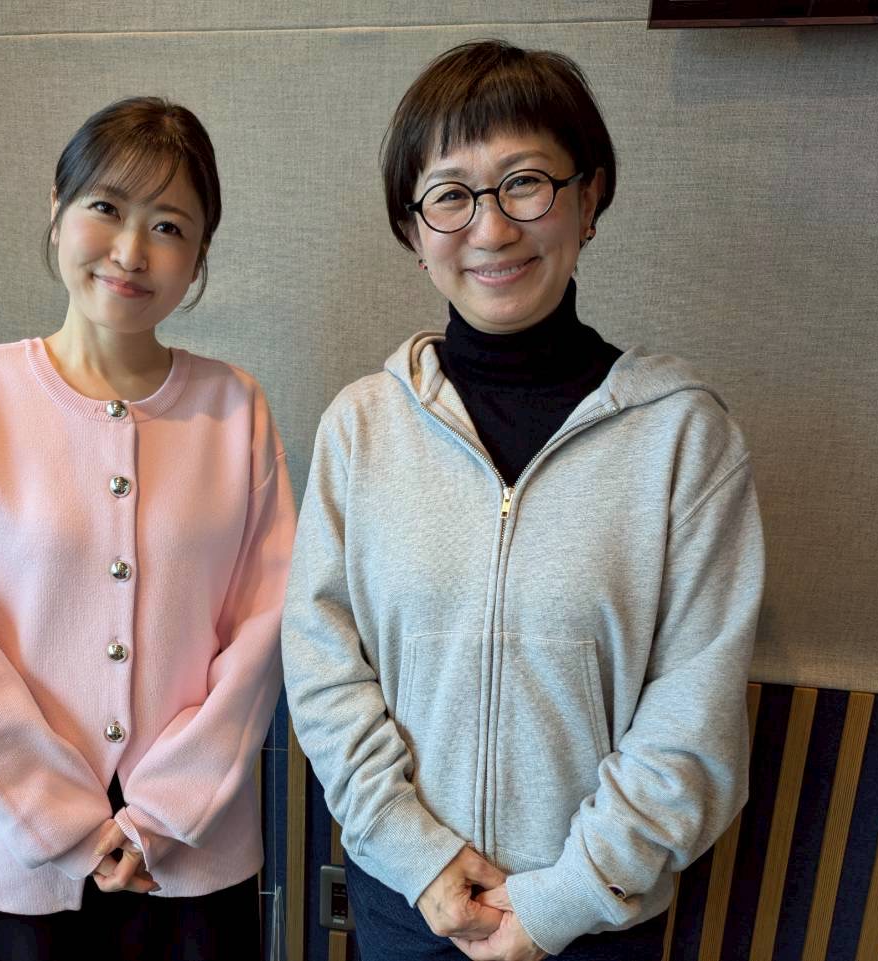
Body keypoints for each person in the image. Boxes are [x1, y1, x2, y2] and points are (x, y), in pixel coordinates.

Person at [282, 40, 764, 960]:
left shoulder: (682, 438)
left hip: (595, 919)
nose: (492, 228)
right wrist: (418, 854)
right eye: (451, 195)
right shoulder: (361, 427)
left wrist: (562, 898)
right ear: (414, 232)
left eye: (526, 184)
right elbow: (322, 665)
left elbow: (696, 709)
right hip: (407, 902)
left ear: (589, 198)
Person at [0, 96, 295, 960]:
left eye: (169, 226)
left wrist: (162, 814)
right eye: (106, 207)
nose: (130, 250)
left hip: (191, 856)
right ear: (57, 207)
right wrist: (64, 819)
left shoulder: (237, 408)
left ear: (199, 256)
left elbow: (263, 630)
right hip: (11, 859)